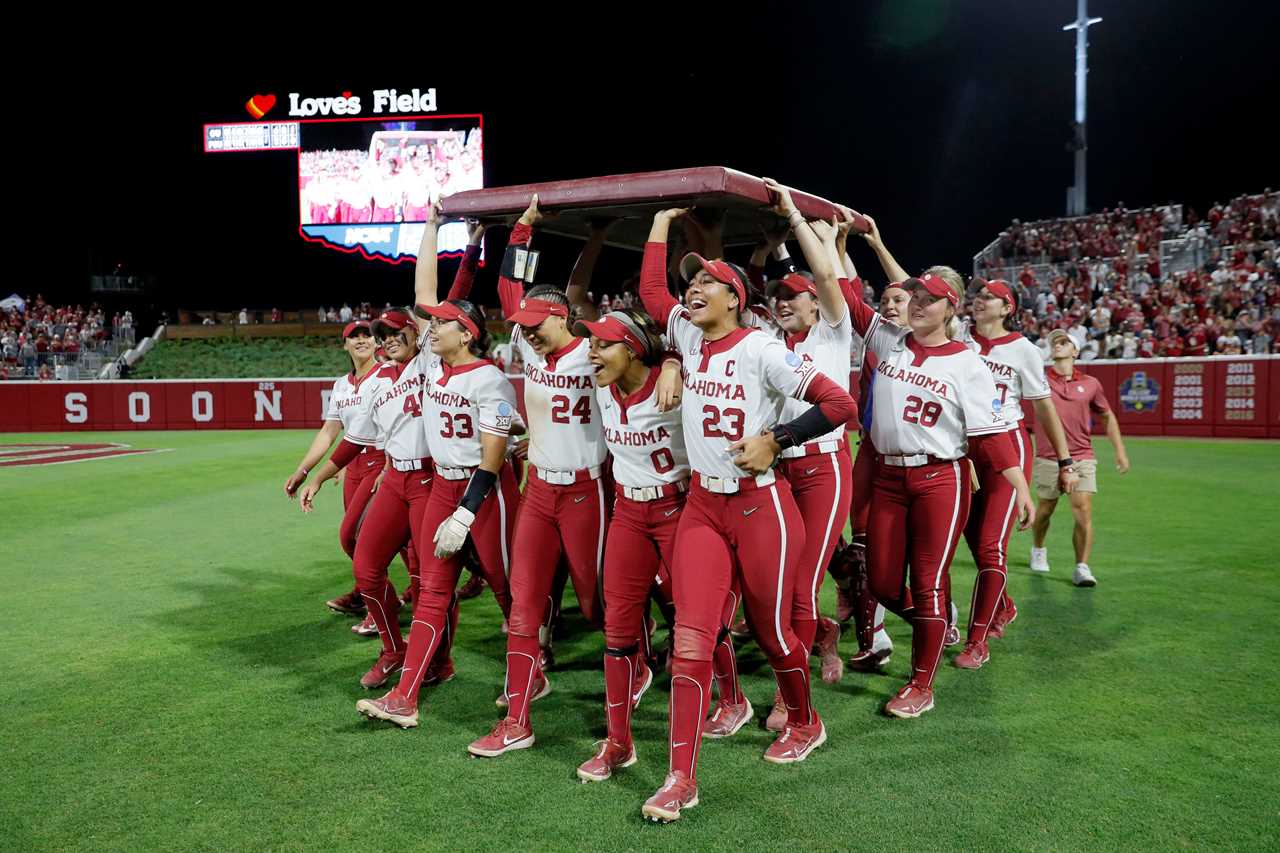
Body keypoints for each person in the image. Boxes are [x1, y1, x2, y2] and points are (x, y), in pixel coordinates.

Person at [637, 206, 856, 822]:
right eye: (692, 283)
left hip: (762, 504)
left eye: (706, 281)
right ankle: (680, 777)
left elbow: (839, 403)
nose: (692, 290)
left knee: (774, 630)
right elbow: (653, 291)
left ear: (734, 297)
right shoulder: (683, 331)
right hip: (704, 507)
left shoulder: (762, 347)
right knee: (690, 640)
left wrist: (779, 438)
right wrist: (660, 224)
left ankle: (806, 719)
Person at [467, 196, 680, 759]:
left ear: (563, 317)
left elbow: (657, 341)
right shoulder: (526, 339)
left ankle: (635, 658)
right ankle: (517, 716)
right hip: (539, 487)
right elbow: (511, 289)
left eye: (538, 325)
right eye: (525, 326)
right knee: (525, 602)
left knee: (595, 603)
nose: (529, 334)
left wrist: (676, 362)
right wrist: (521, 230)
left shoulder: (595, 350)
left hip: (590, 490)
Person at [839, 243, 1034, 719]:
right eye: (914, 297)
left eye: (929, 298)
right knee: (883, 582)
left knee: (926, 582)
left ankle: (921, 683)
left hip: (939, 480)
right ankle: (935, 623)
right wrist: (839, 240)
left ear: (951, 308)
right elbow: (844, 292)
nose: (918, 304)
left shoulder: (968, 362)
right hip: (887, 476)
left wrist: (1020, 485)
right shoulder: (888, 341)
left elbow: (991, 436)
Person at [355, 206, 519, 729]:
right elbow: (426, 287)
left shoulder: (490, 380)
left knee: (505, 583)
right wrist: (430, 227)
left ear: (465, 334)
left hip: (483, 491)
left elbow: (492, 459)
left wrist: (467, 512)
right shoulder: (431, 363)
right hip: (442, 488)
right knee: (433, 589)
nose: (431, 326)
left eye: (442, 324)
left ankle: (529, 669)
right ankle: (405, 697)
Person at [571, 308, 684, 782]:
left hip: (680, 509)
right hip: (628, 514)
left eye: (602, 343)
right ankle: (619, 742)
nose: (591, 352)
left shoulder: (677, 385)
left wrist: (676, 360)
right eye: (590, 344)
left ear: (633, 347)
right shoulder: (601, 389)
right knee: (617, 630)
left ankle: (734, 699)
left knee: (697, 619)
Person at [757, 182, 856, 725]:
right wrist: (771, 246)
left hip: (823, 470)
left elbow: (823, 274)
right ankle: (823, 635)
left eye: (793, 296)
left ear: (815, 301)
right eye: (780, 298)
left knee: (800, 581)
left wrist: (794, 214)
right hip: (780, 472)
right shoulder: (772, 343)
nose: (784, 303)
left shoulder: (834, 333)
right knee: (775, 577)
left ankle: (787, 697)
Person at [957, 280, 1078, 668]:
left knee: (992, 545)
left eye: (990, 295)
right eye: (978, 294)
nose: (980, 299)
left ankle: (978, 640)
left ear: (1007, 307)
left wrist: (1064, 461)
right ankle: (1004, 605)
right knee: (973, 543)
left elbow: (1044, 410)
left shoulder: (1023, 349)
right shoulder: (958, 335)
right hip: (961, 445)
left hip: (1005, 444)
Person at [283, 320, 389, 618]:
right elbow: (330, 431)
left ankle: (380, 601)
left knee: (357, 536)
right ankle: (366, 593)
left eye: (366, 335)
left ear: (375, 341)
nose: (360, 340)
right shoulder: (342, 384)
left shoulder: (387, 375)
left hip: (381, 461)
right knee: (362, 537)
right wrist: (302, 470)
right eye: (353, 337)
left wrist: (318, 477)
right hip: (352, 463)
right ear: (344, 345)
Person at [1030, 330, 1130, 587]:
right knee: (1045, 510)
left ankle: (1081, 567)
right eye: (1055, 342)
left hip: (1082, 456)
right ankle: (1038, 548)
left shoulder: (1092, 383)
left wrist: (1120, 451)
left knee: (1083, 509)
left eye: (1064, 342)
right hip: (1048, 457)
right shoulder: (1039, 380)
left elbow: (1107, 417)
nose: (1058, 345)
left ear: (1075, 351)